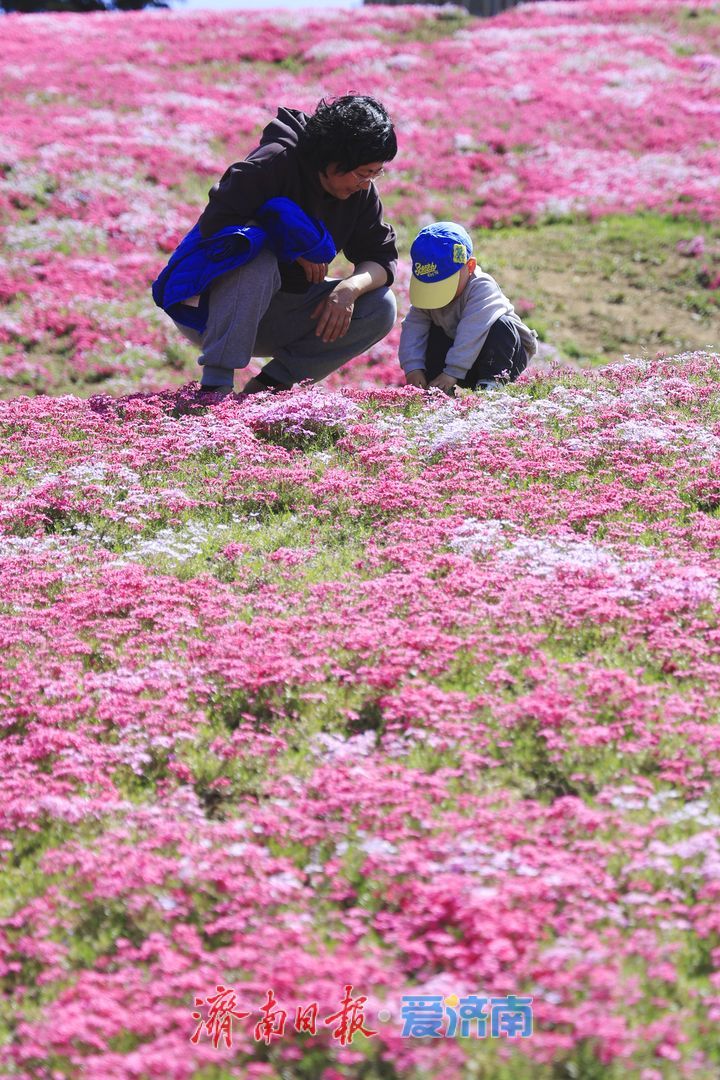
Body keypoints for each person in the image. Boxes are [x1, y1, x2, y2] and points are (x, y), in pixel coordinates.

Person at [178, 94, 399, 396]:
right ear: (334, 158)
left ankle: (269, 387)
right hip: (209, 311)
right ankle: (216, 385)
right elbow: (217, 225)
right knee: (258, 259)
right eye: (363, 173)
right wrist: (290, 247)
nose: (367, 183)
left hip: (279, 313)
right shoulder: (274, 162)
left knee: (380, 305)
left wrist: (349, 289)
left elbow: (380, 256)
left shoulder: (361, 193)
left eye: (376, 173)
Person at [398, 222, 538, 395]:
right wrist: (413, 368)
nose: (436, 293)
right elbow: (413, 326)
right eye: (430, 286)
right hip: (462, 362)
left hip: (504, 359)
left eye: (443, 284)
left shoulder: (481, 287)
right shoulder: (426, 297)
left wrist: (452, 372)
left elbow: (472, 331)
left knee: (501, 324)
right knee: (429, 331)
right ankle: (437, 389)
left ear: (469, 267)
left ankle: (491, 386)